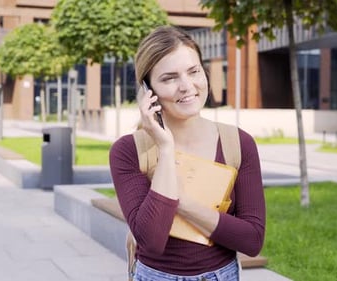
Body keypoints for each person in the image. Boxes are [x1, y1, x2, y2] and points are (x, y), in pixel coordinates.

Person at [109, 26, 265, 281]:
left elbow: (252, 239)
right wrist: (166, 148)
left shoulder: (238, 143)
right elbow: (151, 242)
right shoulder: (128, 151)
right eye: (169, 78)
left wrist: (178, 201)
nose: (186, 86)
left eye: (193, 71)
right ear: (148, 90)